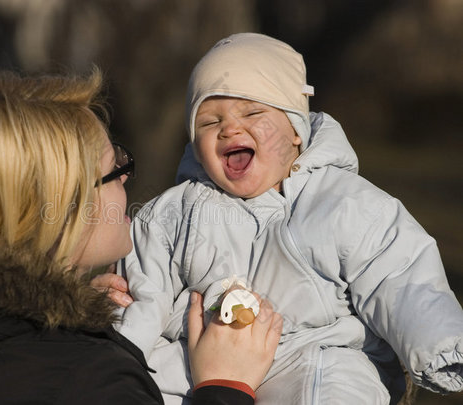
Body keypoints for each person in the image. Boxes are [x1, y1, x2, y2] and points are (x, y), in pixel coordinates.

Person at [0, 69, 283, 404]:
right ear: (68, 204)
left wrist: (68, 311)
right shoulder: (90, 381)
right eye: (116, 167)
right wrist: (223, 389)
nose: (128, 179)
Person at [115, 33, 463, 404]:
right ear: (196, 150)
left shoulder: (342, 201)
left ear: (296, 131)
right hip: (204, 363)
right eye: (208, 122)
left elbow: (398, 272)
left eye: (252, 112)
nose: (229, 128)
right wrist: (118, 357)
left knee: (338, 385)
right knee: (155, 377)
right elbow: (142, 291)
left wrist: (441, 347)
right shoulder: (173, 214)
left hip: (313, 355)